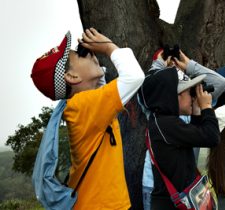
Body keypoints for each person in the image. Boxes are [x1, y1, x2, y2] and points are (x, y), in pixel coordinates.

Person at [30, 28, 144, 209]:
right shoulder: (83, 106)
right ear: (71, 76)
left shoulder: (84, 105)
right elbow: (134, 77)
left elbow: (102, 83)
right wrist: (107, 47)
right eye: (80, 54)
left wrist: (94, 64)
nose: (89, 52)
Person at [140, 49, 225, 210]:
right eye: (189, 92)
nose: (193, 96)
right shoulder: (167, 125)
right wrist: (206, 107)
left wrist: (196, 112)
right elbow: (211, 137)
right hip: (172, 202)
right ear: (175, 97)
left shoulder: (164, 122)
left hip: (175, 199)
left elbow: (196, 136)